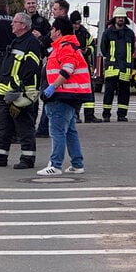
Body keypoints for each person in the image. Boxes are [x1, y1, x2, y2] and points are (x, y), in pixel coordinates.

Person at [0, 12, 42, 169]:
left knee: (24, 126)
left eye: (14, 22)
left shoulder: (31, 43)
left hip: (20, 93)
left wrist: (18, 90)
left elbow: (31, 69)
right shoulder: (16, 41)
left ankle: (28, 159)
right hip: (6, 93)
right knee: (3, 126)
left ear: (23, 25)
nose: (11, 24)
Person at [37, 16, 91, 175]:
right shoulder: (69, 46)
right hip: (71, 94)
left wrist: (52, 87)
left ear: (58, 31)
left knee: (57, 131)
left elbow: (67, 69)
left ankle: (55, 165)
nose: (50, 32)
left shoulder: (64, 47)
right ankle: (77, 163)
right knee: (69, 131)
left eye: (52, 29)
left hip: (62, 94)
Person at [35, 0, 69, 137]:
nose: (53, 11)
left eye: (55, 9)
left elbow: (48, 41)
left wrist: (41, 38)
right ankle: (44, 128)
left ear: (62, 11)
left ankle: (44, 129)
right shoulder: (59, 25)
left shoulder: (61, 26)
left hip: (55, 74)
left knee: (50, 101)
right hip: (52, 68)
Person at [99, 7, 135, 122]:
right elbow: (103, 49)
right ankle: (106, 114)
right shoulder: (108, 33)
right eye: (118, 17)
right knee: (109, 92)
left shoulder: (130, 33)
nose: (120, 19)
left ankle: (122, 115)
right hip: (112, 68)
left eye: (122, 17)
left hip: (125, 68)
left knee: (124, 92)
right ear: (114, 18)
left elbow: (132, 49)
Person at [70, 10, 100, 123]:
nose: (77, 25)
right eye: (75, 23)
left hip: (84, 64)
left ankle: (89, 115)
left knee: (88, 89)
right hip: (72, 65)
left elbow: (92, 44)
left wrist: (87, 51)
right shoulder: (68, 31)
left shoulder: (83, 31)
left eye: (78, 23)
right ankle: (75, 115)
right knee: (75, 90)